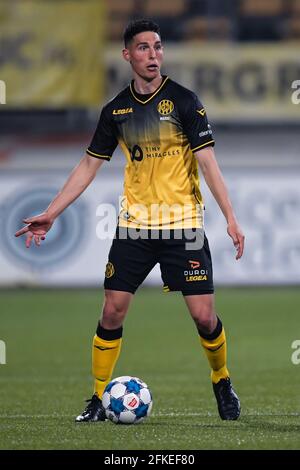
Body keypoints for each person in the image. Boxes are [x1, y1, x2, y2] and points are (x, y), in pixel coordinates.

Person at [15, 19, 245, 422]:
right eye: (143, 48)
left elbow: (208, 163)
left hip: (183, 225)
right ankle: (99, 399)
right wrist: (52, 212)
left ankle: (222, 381)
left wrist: (230, 217)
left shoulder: (185, 102)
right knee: (112, 312)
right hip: (135, 227)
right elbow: (89, 164)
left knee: (204, 317)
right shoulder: (116, 111)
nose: (153, 54)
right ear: (127, 55)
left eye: (158, 47)